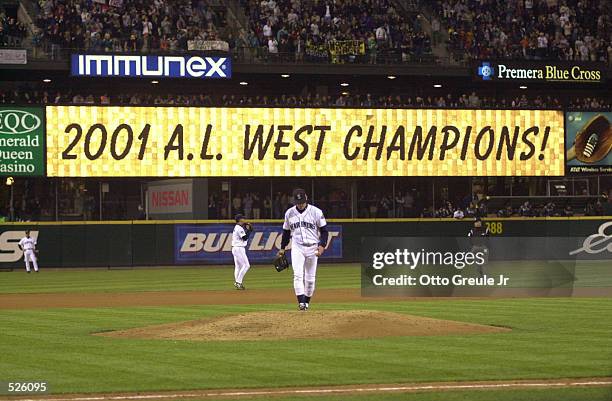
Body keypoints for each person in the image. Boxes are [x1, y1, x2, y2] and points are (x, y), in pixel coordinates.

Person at [277, 189, 328, 311]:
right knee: (298, 275)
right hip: (297, 247)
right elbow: (286, 232)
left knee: (310, 279)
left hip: (313, 247)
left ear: (306, 198)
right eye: (298, 202)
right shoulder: (289, 213)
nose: (300, 204)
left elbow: (324, 231)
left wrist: (322, 245)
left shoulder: (316, 212)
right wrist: (282, 248)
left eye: (302, 201)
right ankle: (301, 303)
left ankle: (306, 303)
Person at [232, 214, 252, 290]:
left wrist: (247, 230)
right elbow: (245, 238)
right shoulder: (239, 228)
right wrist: (249, 231)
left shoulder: (237, 227)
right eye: (243, 218)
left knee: (238, 267)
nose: (244, 219)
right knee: (247, 265)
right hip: (239, 248)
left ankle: (237, 283)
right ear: (240, 219)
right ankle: (238, 282)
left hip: (235, 248)